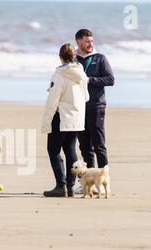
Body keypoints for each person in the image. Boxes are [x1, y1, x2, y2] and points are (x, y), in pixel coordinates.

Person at [41, 43, 89, 197]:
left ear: (60, 57)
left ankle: (61, 186)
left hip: (61, 116)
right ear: (74, 56)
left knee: (53, 150)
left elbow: (52, 101)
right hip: (76, 117)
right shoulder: (81, 74)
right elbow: (86, 97)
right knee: (70, 149)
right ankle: (70, 186)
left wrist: (46, 120)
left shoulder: (60, 74)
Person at [75, 29, 114, 185]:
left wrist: (90, 80)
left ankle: (104, 181)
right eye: (87, 41)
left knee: (99, 145)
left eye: (91, 41)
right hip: (78, 108)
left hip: (96, 107)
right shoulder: (73, 59)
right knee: (85, 147)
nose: (90, 44)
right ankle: (89, 182)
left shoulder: (100, 58)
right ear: (78, 42)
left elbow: (110, 79)